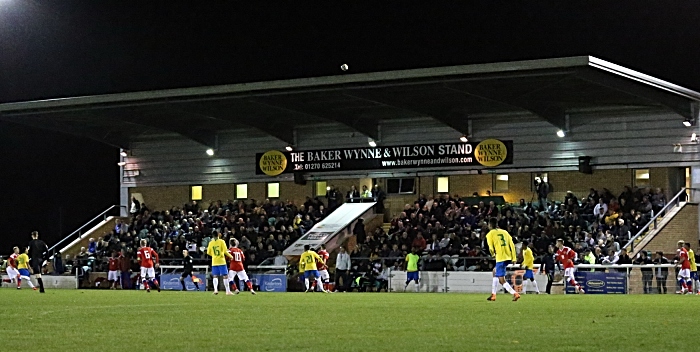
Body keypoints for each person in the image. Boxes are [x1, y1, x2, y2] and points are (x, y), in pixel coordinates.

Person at [485, 218, 520, 301]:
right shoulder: (505, 232)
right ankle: (493, 294)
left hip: (500, 257)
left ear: (490, 225)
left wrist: (493, 254)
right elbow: (512, 245)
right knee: (495, 271)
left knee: (501, 280)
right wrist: (514, 257)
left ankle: (515, 293)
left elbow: (490, 247)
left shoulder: (490, 234)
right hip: (508, 257)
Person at [207, 231, 233, 295]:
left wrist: (213, 255)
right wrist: (231, 256)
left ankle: (215, 290)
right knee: (225, 276)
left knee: (215, 276)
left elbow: (208, 252)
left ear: (213, 236)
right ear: (218, 235)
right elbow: (225, 251)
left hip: (214, 261)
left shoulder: (211, 243)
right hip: (221, 261)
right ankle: (227, 291)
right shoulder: (222, 241)